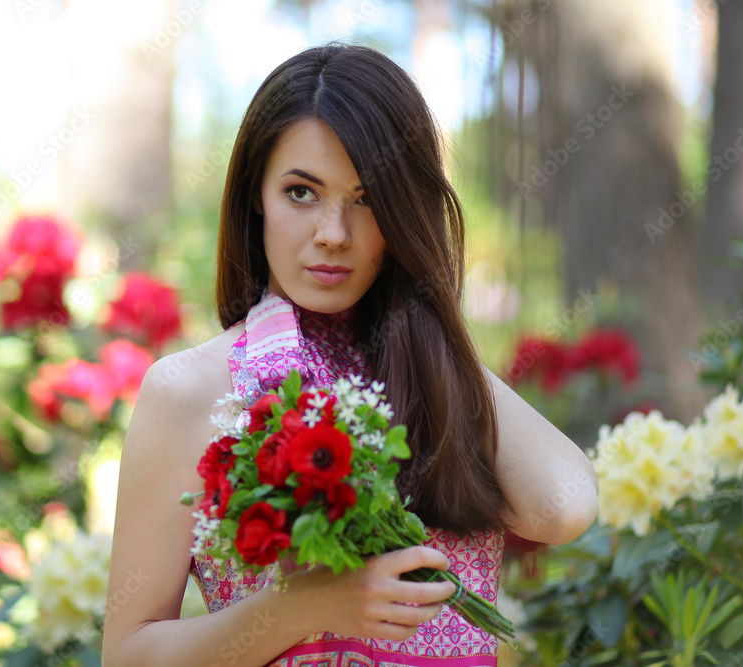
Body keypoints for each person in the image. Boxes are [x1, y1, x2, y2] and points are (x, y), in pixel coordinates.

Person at [102, 41, 598, 667]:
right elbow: (128, 656)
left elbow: (563, 507)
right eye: (302, 193)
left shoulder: (434, 380)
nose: (333, 234)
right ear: (257, 195)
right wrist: (307, 604)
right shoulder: (192, 389)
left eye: (366, 200)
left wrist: (430, 319)